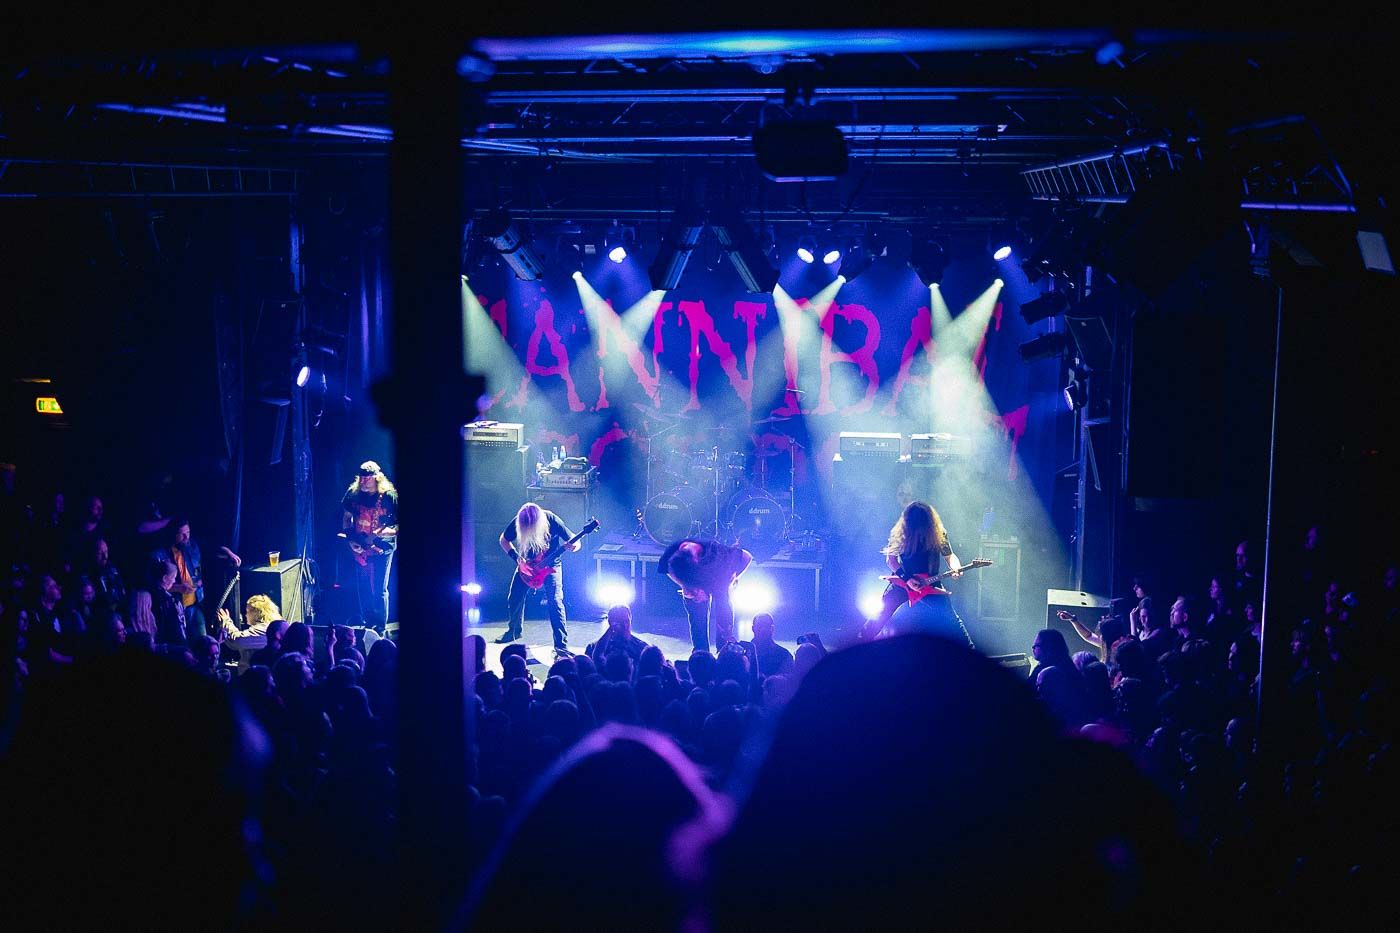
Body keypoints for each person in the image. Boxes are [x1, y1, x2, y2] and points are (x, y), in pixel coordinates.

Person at [860, 502, 967, 644]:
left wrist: (956, 566)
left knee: (951, 621)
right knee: (880, 616)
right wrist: (908, 579)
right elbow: (891, 560)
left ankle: (972, 655)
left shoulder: (939, 533)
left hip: (930, 583)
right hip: (904, 582)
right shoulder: (900, 534)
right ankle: (855, 649)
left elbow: (949, 556)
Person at [497, 502, 579, 657]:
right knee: (514, 597)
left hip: (551, 566)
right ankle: (513, 631)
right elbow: (503, 539)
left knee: (555, 602)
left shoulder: (552, 520)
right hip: (527, 565)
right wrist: (518, 560)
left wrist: (574, 546)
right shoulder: (520, 520)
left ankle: (561, 645)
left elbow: (576, 541)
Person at [341, 461, 398, 632]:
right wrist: (351, 540)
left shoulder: (388, 497)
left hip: (382, 547)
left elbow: (397, 525)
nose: (364, 482)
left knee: (379, 588)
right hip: (360, 547)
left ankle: (380, 627)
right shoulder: (353, 494)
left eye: (368, 478)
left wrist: (382, 533)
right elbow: (346, 518)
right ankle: (368, 623)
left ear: (377, 478)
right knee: (364, 585)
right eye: (362, 478)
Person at [150, 519, 206, 639]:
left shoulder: (193, 546)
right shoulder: (159, 554)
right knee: (184, 643)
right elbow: (154, 584)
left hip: (196, 603)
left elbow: (210, 549)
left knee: (203, 642)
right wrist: (177, 588)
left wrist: (228, 552)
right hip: (176, 609)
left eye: (188, 532)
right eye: (182, 534)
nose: (186, 537)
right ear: (173, 534)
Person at [217, 593, 284, 669]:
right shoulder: (270, 627)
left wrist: (226, 621)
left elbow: (237, 641)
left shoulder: (263, 629)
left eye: (247, 611)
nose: (245, 615)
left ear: (256, 612)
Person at [747, 612, 793, 678]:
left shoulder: (784, 654)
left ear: (772, 628)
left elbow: (789, 679)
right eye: (760, 626)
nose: (763, 629)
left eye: (766, 625)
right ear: (753, 628)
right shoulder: (744, 652)